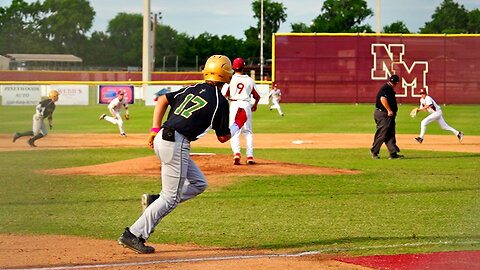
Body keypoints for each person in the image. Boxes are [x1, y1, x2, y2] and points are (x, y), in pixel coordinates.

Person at [117, 55, 247, 254]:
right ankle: (134, 234)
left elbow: (162, 100)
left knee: (198, 184)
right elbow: (223, 138)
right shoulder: (219, 102)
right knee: (171, 198)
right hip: (176, 143)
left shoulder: (193, 88)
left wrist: (153, 130)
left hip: (163, 136)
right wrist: (238, 123)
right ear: (227, 76)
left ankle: (155, 201)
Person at [223, 57, 261, 165]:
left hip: (234, 104)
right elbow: (257, 96)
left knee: (234, 130)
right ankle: (249, 156)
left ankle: (236, 153)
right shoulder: (249, 80)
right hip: (246, 104)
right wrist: (255, 105)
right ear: (244, 67)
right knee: (248, 132)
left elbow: (224, 95)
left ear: (233, 68)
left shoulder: (230, 79)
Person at [370, 74, 403, 159]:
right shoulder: (386, 88)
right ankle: (374, 151)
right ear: (396, 83)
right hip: (383, 114)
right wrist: (389, 110)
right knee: (382, 133)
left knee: (390, 133)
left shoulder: (389, 88)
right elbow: (382, 99)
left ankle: (393, 153)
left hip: (387, 115)